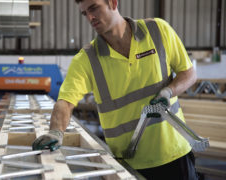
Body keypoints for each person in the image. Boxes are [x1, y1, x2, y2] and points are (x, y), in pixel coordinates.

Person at [32, 0, 198, 179]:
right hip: (128, 162)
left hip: (175, 153)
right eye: (84, 13)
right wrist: (56, 132)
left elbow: (188, 74)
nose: (90, 17)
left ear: (113, 2)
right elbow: (65, 102)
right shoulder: (87, 59)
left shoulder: (158, 31)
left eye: (94, 8)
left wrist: (168, 92)